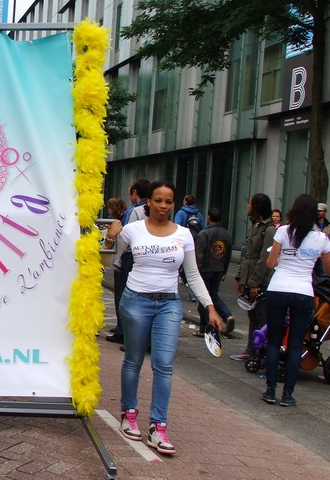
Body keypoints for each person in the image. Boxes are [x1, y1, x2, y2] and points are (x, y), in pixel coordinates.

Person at [114, 180, 222, 455]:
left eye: (169, 201)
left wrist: (210, 307)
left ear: (174, 204)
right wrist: (110, 236)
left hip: (169, 305)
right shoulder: (133, 229)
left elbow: (192, 274)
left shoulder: (184, 234)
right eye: (158, 200)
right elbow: (111, 258)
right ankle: (128, 413)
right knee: (134, 360)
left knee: (163, 364)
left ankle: (158, 426)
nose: (163, 206)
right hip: (136, 301)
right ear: (149, 202)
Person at [263, 195, 330, 406]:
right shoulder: (322, 238)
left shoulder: (283, 231)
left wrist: (286, 258)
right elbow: (327, 269)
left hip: (278, 288)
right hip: (303, 292)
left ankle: (270, 390)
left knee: (274, 341)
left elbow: (270, 263)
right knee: (295, 344)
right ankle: (288, 395)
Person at [231, 193, 277, 361]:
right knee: (252, 315)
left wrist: (255, 283)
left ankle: (261, 353)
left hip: (260, 281)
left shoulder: (269, 230)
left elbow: (264, 259)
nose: (247, 206)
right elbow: (246, 255)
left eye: (249, 203)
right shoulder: (254, 226)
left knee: (261, 317)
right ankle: (251, 350)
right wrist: (240, 278)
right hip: (248, 277)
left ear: (256, 206)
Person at [106, 179, 150, 344]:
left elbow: (125, 237)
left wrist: (116, 258)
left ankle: (124, 332)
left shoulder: (134, 211)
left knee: (124, 295)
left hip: (129, 257)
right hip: (145, 258)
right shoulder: (149, 212)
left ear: (135, 193)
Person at [194, 208, 234, 337]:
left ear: (209, 217)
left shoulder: (204, 233)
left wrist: (197, 271)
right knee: (214, 295)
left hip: (205, 269)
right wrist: (224, 270)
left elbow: (199, 254)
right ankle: (227, 315)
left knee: (204, 298)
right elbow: (228, 254)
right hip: (218, 268)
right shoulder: (226, 234)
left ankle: (204, 328)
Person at [102, 196, 126, 334]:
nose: (108, 210)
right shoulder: (119, 221)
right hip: (119, 261)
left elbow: (108, 245)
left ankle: (121, 328)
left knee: (120, 294)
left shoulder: (115, 224)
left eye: (109, 207)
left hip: (119, 262)